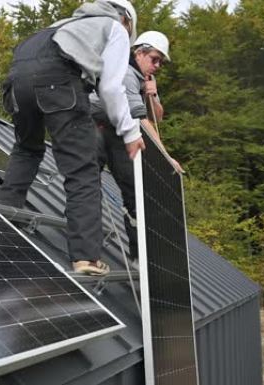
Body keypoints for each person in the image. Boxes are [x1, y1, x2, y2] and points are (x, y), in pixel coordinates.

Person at [0, 0, 144, 276]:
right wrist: (130, 132)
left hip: (16, 82)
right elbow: (112, 88)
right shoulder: (114, 27)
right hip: (58, 82)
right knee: (82, 169)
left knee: (26, 149)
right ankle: (86, 257)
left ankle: (5, 216)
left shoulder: (62, 25)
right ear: (127, 19)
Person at [91, 30, 183, 266]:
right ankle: (85, 244)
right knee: (88, 179)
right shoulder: (125, 71)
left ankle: (138, 256)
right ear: (139, 53)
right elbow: (141, 121)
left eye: (161, 61)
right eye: (154, 59)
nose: (158, 65)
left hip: (120, 131)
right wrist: (166, 157)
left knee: (134, 189)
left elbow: (157, 117)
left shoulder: (146, 80)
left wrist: (152, 95)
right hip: (96, 124)